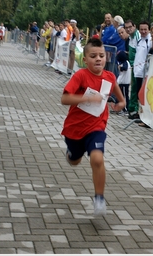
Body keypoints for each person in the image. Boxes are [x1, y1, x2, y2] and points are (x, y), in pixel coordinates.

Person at [60, 38, 126, 216]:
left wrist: (121, 102)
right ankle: (71, 154)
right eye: (93, 56)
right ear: (85, 60)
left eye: (102, 56)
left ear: (106, 57)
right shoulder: (80, 75)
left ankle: (99, 198)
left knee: (97, 159)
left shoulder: (110, 76)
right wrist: (87, 98)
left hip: (97, 126)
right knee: (75, 161)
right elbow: (64, 99)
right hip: (74, 129)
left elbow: (115, 88)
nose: (98, 59)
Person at [124, 19, 141, 120]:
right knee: (133, 88)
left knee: (135, 88)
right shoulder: (130, 37)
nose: (129, 29)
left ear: (134, 26)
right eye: (127, 28)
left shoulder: (137, 36)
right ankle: (132, 109)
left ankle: (135, 109)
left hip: (137, 67)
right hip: (133, 66)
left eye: (130, 27)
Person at [116, 51, 131, 115]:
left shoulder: (125, 63)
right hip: (122, 82)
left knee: (124, 96)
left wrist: (120, 68)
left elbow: (125, 68)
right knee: (121, 96)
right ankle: (122, 109)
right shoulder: (122, 62)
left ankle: (126, 110)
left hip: (125, 83)